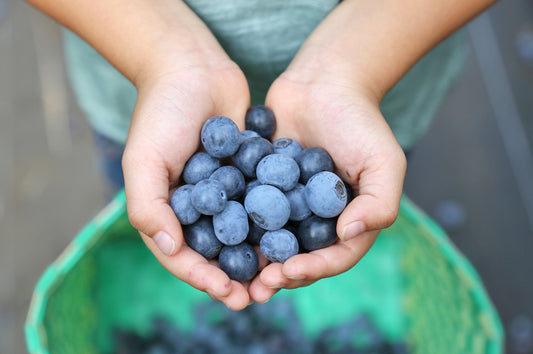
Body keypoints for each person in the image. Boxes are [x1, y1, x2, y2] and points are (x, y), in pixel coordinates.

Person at [26, 0, 498, 311]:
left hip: (373, 94)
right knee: (145, 199)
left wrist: (355, 67)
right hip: (135, 98)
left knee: (358, 197)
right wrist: (161, 58)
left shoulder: (281, 182)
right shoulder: (218, 181)